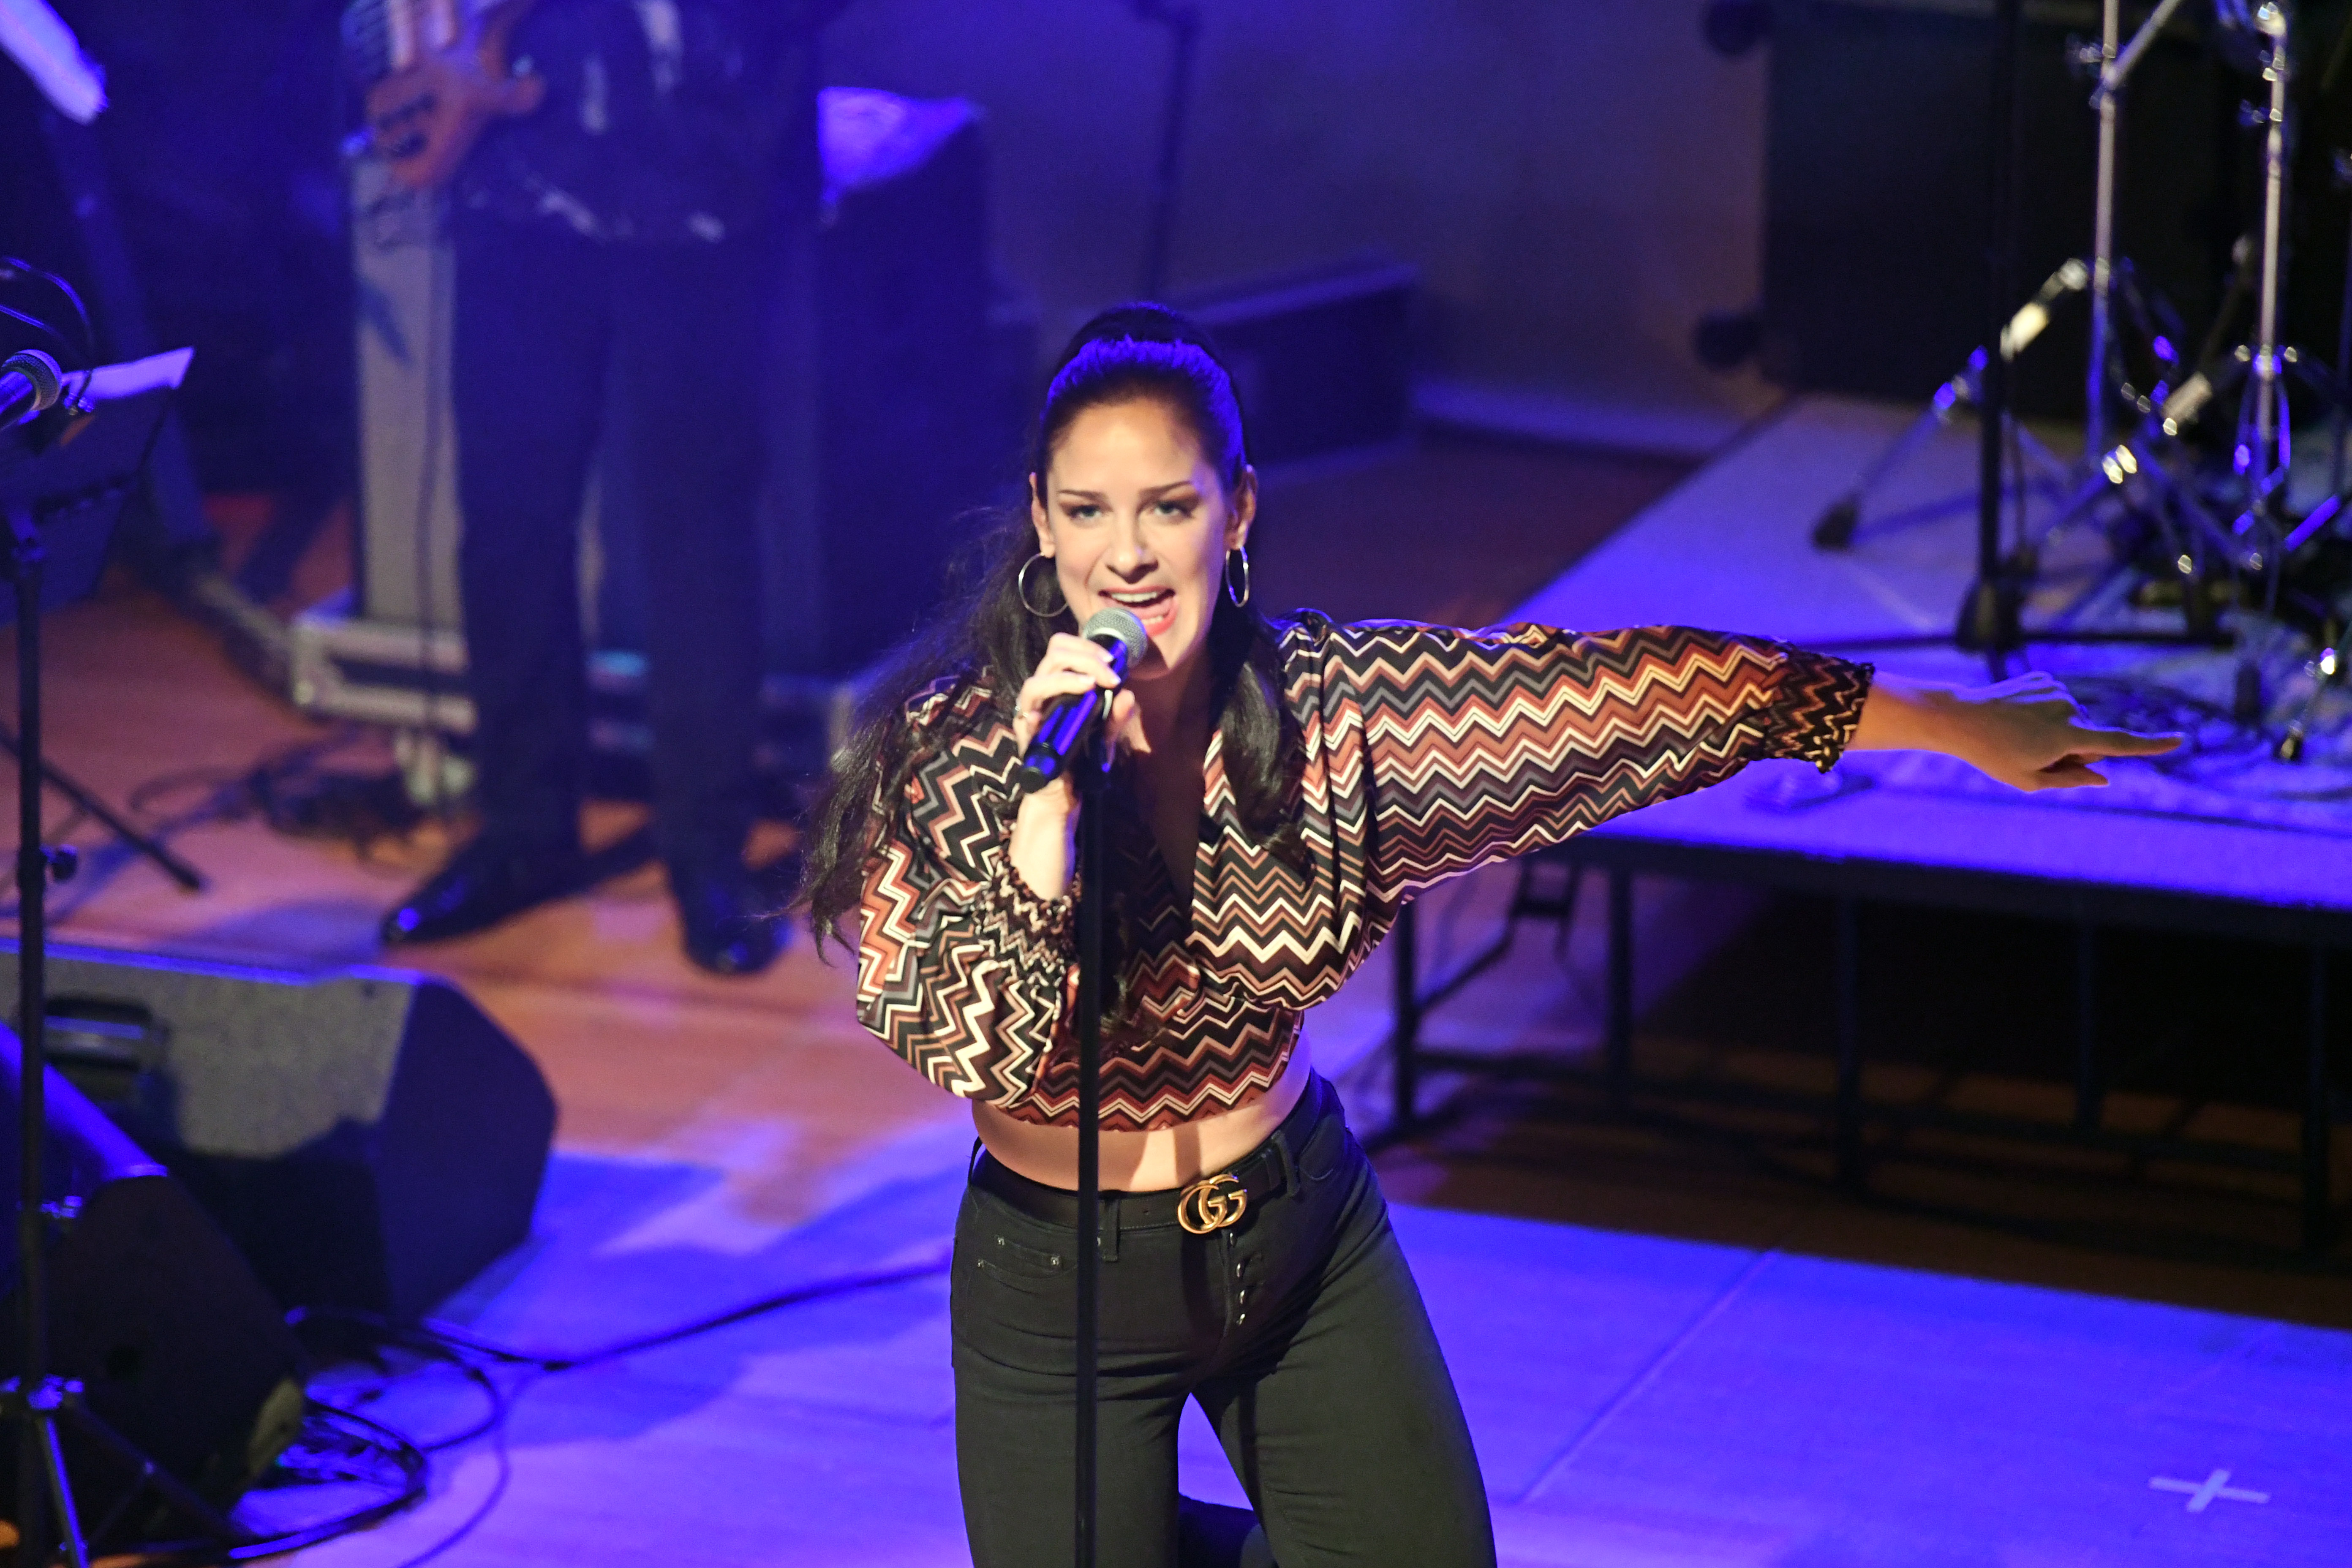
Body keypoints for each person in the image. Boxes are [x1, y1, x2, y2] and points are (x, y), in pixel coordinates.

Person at [796, 305, 2178, 1568]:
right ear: (1042, 524)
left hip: (1293, 1228)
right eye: (1090, 511)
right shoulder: (957, 758)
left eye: (1171, 505)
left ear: (1238, 512)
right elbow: (967, 1040)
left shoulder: (1339, 716)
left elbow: (1632, 699)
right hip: (1062, 1280)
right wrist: (1043, 828)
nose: (1129, 554)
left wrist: (1947, 725)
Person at [379, 0, 840, 974]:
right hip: (517, 178)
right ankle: (524, 831)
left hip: (706, 172)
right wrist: (414, 57)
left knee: (700, 528)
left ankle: (706, 855)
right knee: (509, 519)